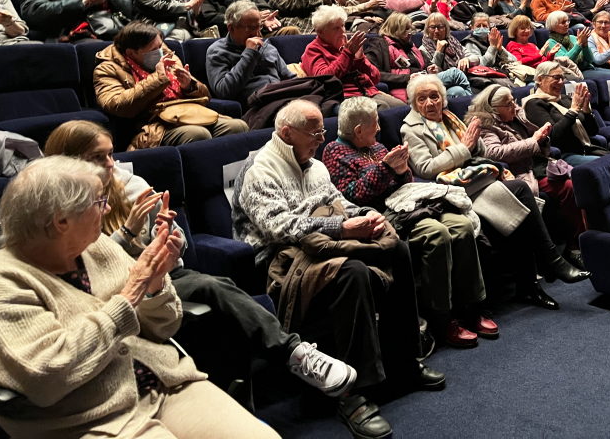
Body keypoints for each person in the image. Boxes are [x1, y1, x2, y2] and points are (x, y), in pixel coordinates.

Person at [42, 121, 355, 411]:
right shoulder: (57, 207)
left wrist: (166, 235)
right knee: (210, 288)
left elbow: (176, 245)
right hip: (112, 292)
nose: (110, 165)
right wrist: (126, 233)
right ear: (68, 162)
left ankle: (286, 363)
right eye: (98, 158)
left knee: (218, 289)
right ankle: (292, 354)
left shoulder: (128, 182)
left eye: (111, 154)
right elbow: (85, 270)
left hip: (161, 275)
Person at [0, 156, 282, 439]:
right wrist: (130, 294)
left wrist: (156, 283)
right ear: (61, 220)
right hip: (86, 418)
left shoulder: (96, 246)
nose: (106, 210)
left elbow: (164, 327)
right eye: (98, 203)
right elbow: (48, 377)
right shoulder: (3, 280)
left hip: (162, 384)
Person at [232, 101, 445, 439]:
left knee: (399, 250)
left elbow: (341, 203)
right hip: (283, 260)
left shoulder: (315, 166)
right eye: (314, 132)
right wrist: (341, 227)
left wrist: (364, 213)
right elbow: (276, 227)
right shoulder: (260, 168)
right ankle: (351, 392)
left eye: (321, 130)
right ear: (287, 134)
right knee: (353, 271)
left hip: (322, 246)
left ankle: (403, 362)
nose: (322, 137)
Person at [401, 75, 589, 311]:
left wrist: (474, 140)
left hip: (478, 179)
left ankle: (532, 282)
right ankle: (549, 263)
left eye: (434, 96)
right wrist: (464, 148)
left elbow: (480, 152)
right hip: (454, 188)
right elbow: (425, 169)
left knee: (520, 207)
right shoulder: (411, 129)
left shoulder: (450, 119)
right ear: (413, 103)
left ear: (443, 99)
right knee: (520, 190)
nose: (429, 103)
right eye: (422, 99)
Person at [323, 97, 495, 349]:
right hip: (382, 216)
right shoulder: (334, 152)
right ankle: (441, 317)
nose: (380, 129)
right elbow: (351, 196)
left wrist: (402, 170)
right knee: (437, 234)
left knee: (461, 225)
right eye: (375, 124)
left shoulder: (377, 146)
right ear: (358, 130)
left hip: (409, 204)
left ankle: (471, 306)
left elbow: (403, 183)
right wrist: (386, 169)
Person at [467, 86, 585, 264]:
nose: (514, 106)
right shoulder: (485, 125)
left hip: (536, 164)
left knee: (579, 178)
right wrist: (534, 141)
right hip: (517, 173)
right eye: (508, 104)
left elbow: (539, 145)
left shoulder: (518, 116)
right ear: (493, 109)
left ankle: (585, 238)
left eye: (513, 101)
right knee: (567, 187)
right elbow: (495, 153)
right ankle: (574, 246)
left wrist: (543, 138)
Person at [94, 21, 248, 148]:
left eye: (160, 46)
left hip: (190, 112)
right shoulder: (107, 68)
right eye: (153, 50)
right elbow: (117, 105)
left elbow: (205, 96)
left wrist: (189, 85)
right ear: (131, 53)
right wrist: (159, 78)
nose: (160, 52)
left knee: (238, 127)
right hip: (155, 123)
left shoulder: (168, 57)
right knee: (198, 134)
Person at [301, 5, 405, 110]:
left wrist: (360, 61)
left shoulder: (348, 45)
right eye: (336, 28)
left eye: (343, 26)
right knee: (381, 107)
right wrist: (347, 54)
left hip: (368, 92)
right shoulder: (313, 50)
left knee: (402, 107)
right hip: (343, 97)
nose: (342, 31)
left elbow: (376, 78)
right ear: (320, 31)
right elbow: (324, 79)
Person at [365, 12, 470, 103]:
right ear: (394, 30)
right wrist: (408, 78)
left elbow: (429, 65)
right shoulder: (380, 45)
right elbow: (375, 74)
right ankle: (473, 111)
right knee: (455, 73)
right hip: (407, 86)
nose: (410, 33)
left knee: (457, 91)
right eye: (406, 30)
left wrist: (433, 68)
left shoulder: (411, 47)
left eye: (410, 29)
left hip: (423, 80)